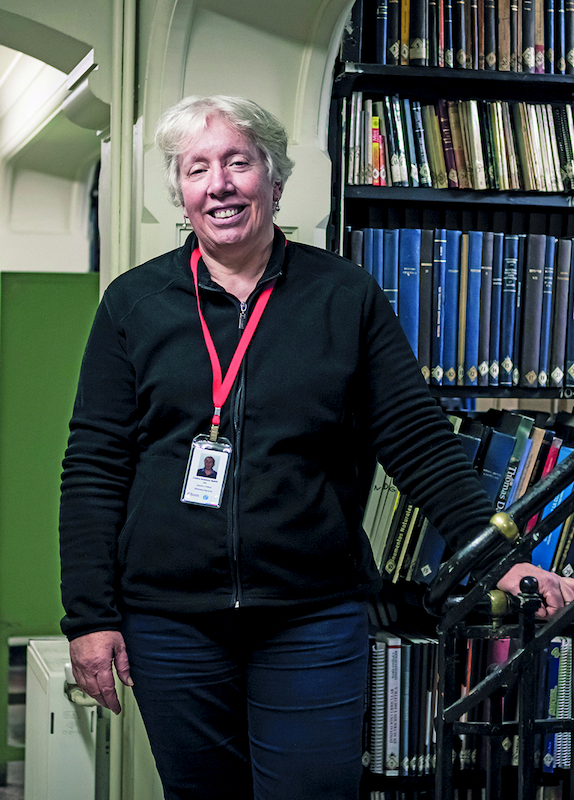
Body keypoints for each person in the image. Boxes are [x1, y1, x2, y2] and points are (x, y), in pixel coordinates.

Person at [59, 95, 574, 800]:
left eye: (239, 163)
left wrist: (504, 562)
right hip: (171, 622)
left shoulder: (345, 296)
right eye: (197, 169)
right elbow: (95, 464)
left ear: (274, 178)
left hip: (311, 615)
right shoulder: (132, 302)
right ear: (179, 194)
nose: (220, 185)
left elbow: (417, 440)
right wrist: (90, 618)